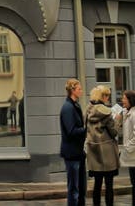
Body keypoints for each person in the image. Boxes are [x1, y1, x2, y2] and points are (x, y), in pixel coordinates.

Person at [85, 84, 120, 206]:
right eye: (107, 96)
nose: (108, 98)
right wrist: (118, 120)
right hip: (107, 153)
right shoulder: (107, 113)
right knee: (109, 185)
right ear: (103, 96)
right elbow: (114, 132)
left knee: (97, 185)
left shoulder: (88, 110)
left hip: (94, 152)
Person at [59, 78, 86, 206]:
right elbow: (71, 131)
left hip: (78, 152)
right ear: (72, 90)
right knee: (74, 189)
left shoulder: (75, 105)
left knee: (81, 187)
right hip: (71, 153)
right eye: (79, 89)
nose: (81, 91)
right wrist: (86, 129)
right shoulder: (68, 108)